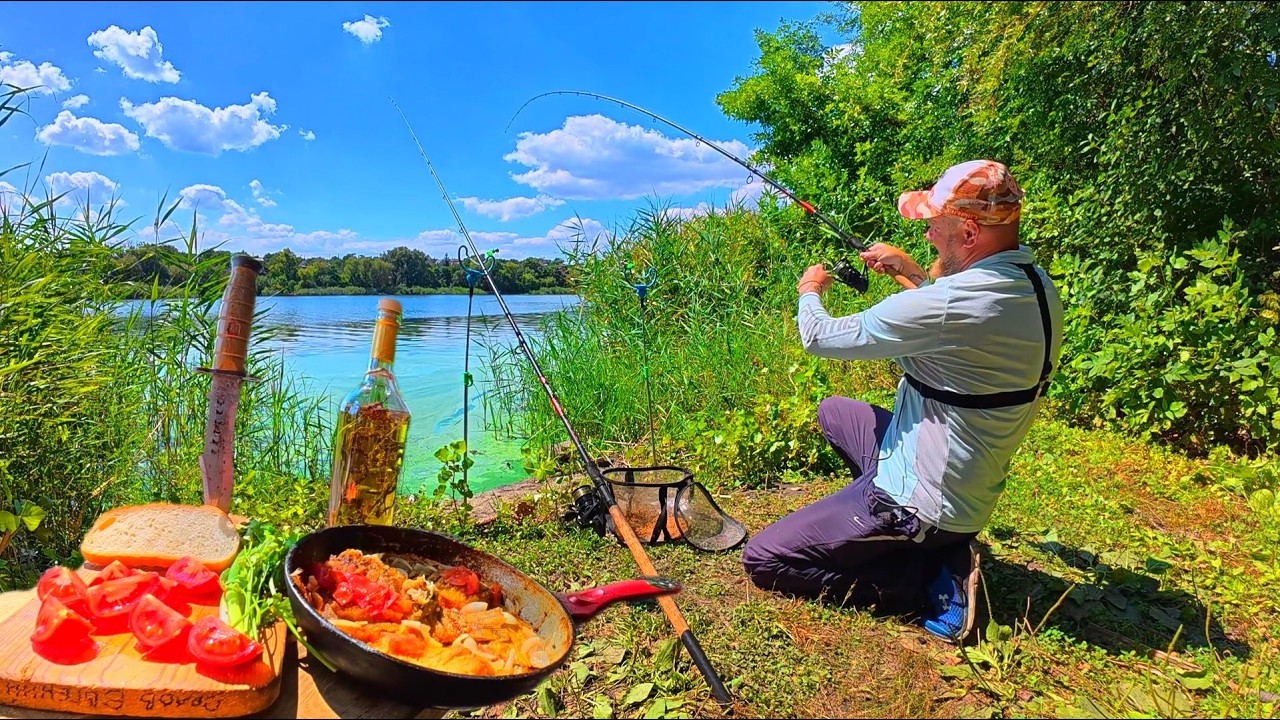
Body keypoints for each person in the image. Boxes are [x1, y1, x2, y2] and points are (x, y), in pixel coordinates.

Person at [740, 159, 1063, 643]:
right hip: (965, 482)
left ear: (970, 233)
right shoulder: (1035, 286)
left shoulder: (949, 304)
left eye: (936, 226)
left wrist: (810, 289)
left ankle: (928, 585)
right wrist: (911, 273)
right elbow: (958, 321)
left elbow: (819, 336)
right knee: (835, 412)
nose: (929, 234)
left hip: (924, 504)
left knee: (765, 558)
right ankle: (917, 543)